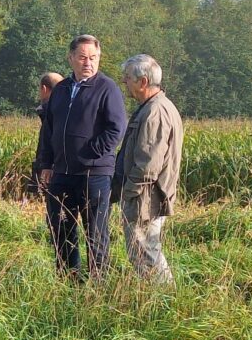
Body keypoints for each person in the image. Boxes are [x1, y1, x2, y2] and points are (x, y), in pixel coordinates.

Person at [37, 35, 127, 279]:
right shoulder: (62, 90)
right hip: (62, 174)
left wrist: (89, 153)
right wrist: (46, 163)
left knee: (95, 234)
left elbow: (116, 129)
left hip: (94, 174)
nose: (88, 62)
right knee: (62, 230)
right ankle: (69, 282)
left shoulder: (107, 88)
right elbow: (49, 129)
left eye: (93, 57)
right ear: (71, 58)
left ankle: (99, 288)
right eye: (83, 57)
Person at [115, 55, 183, 284]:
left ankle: (163, 301)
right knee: (146, 250)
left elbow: (148, 164)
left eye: (128, 79)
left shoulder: (155, 111)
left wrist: (129, 192)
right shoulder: (157, 106)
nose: (125, 83)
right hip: (147, 194)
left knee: (144, 252)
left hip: (145, 197)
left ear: (143, 81)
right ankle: (160, 299)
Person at [29, 72, 65, 197]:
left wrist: (44, 165)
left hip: (48, 170)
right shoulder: (67, 111)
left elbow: (47, 142)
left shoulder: (49, 112)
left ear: (44, 89)